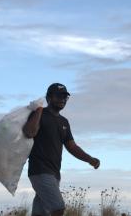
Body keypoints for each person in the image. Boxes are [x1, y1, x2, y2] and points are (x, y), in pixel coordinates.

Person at [22, 83, 100, 216]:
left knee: (41, 213)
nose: (63, 99)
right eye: (59, 96)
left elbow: (72, 146)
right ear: (49, 98)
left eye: (65, 97)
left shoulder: (64, 122)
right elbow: (29, 132)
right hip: (39, 170)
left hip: (54, 173)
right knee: (58, 207)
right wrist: (39, 111)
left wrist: (90, 159)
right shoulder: (39, 114)